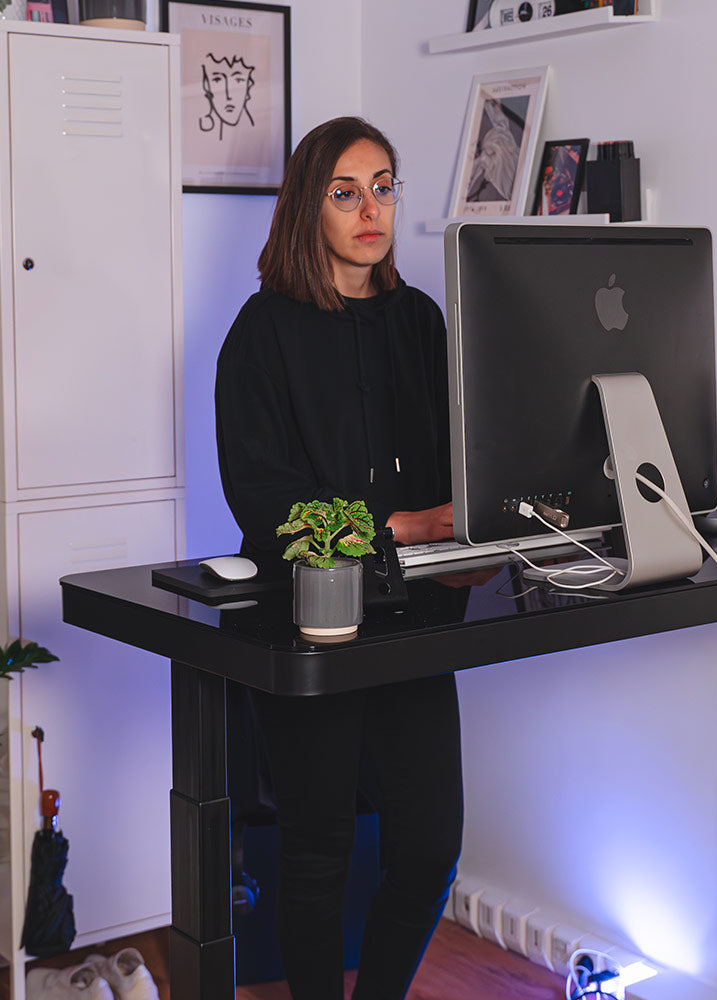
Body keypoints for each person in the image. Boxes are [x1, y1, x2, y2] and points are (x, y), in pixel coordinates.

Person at [214, 117, 462, 1000]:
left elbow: (456, 464)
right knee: (317, 851)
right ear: (305, 205)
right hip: (309, 615)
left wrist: (467, 530)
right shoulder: (262, 332)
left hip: (420, 617)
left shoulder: (424, 322)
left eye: (385, 186)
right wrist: (398, 526)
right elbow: (264, 499)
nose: (371, 208)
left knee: (430, 846)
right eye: (346, 190)